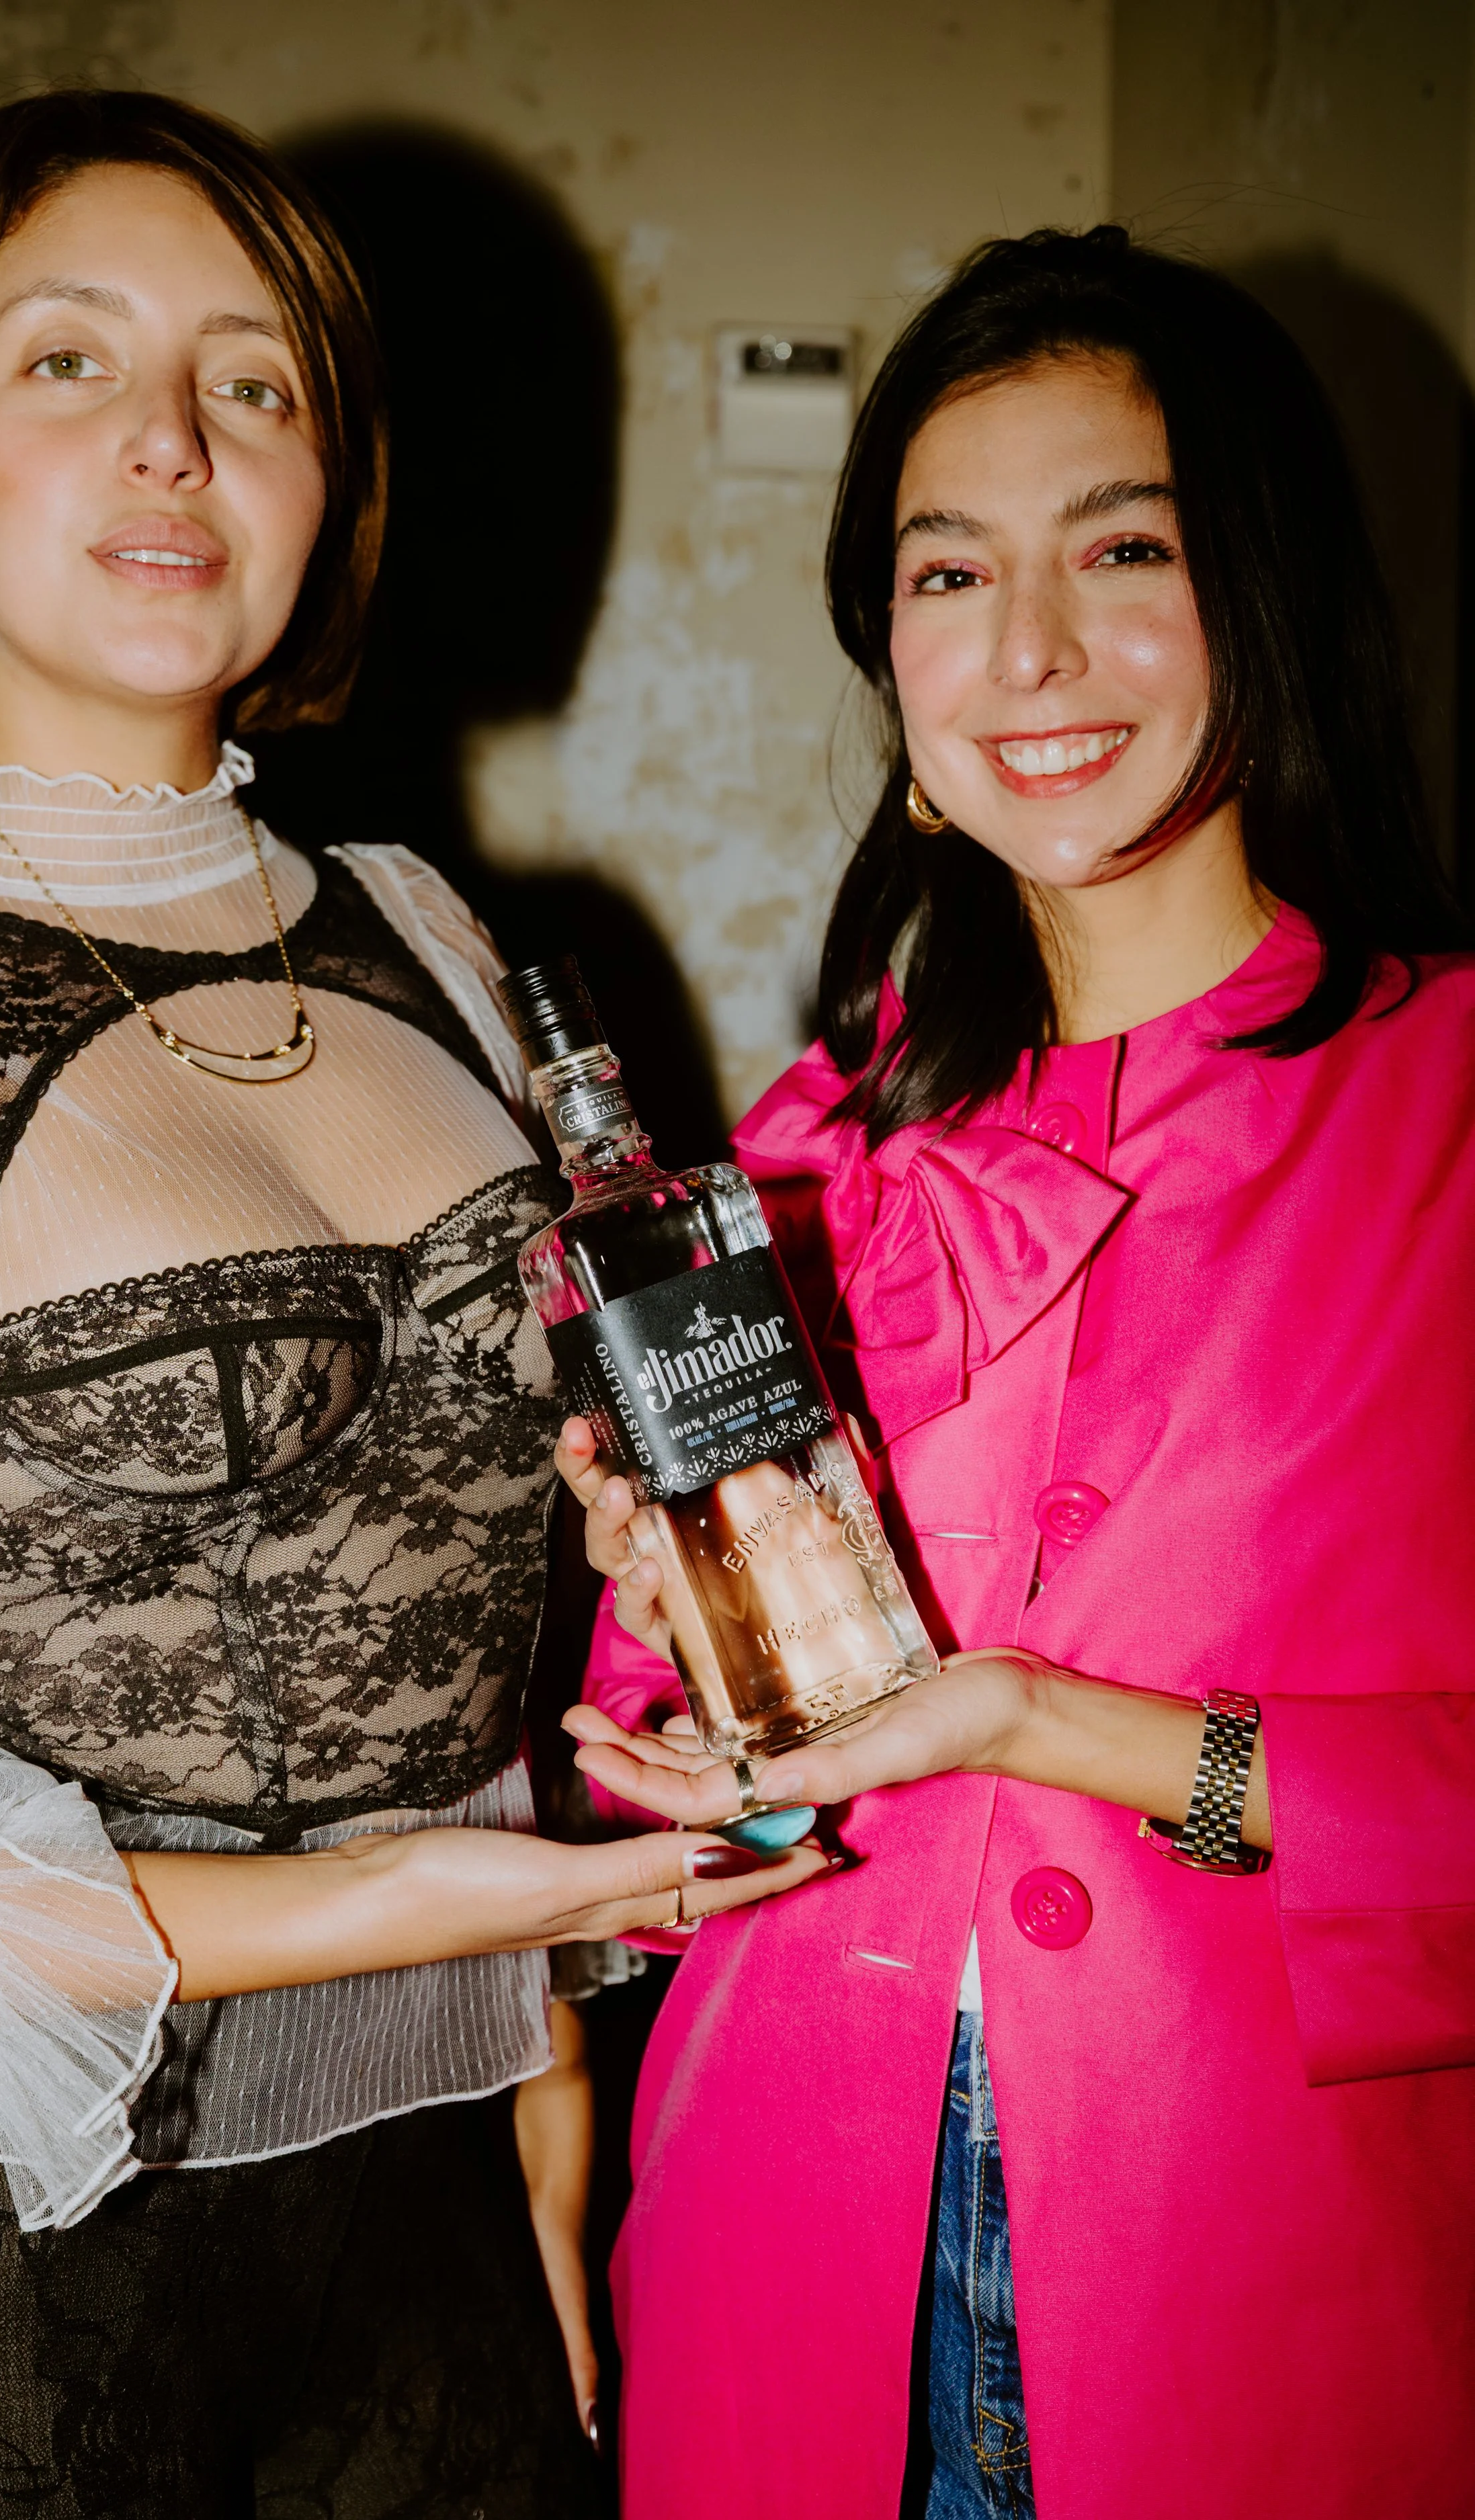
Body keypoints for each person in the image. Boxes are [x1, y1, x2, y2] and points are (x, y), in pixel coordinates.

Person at [0, 88, 825, 2519]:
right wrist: (393, 1901)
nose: (172, 438)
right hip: (6, 2289)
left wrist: (546, 2094)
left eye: (252, 382)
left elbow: (507, 1629)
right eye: (68, 362)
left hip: (445, 2233)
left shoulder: (449, 944)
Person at [557, 225, 1475, 2519]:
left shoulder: (1448, 1103)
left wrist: (1045, 1723)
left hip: (1266, 2294)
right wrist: (688, 1681)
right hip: (786, 2262)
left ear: (1263, 585)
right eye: (945, 572)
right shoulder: (800, 1153)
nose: (1028, 649)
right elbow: (724, 1811)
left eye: (1125, 546)